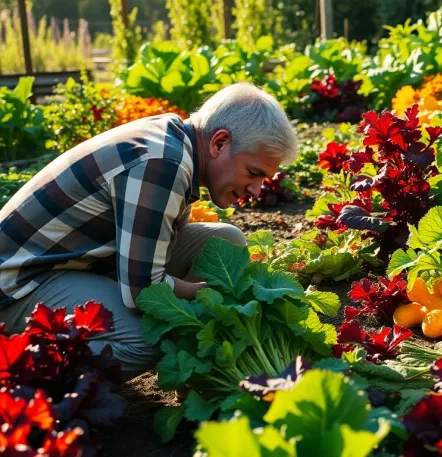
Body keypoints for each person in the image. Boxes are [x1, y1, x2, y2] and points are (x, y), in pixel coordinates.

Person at [0, 82, 297, 378]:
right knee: (147, 338)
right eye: (253, 173)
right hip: (19, 285)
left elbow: (158, 251)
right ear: (219, 143)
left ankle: (189, 370)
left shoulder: (175, 141)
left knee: (225, 243)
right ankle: (28, 376)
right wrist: (206, 293)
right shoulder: (162, 163)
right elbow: (142, 291)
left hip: (72, 265)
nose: (256, 190)